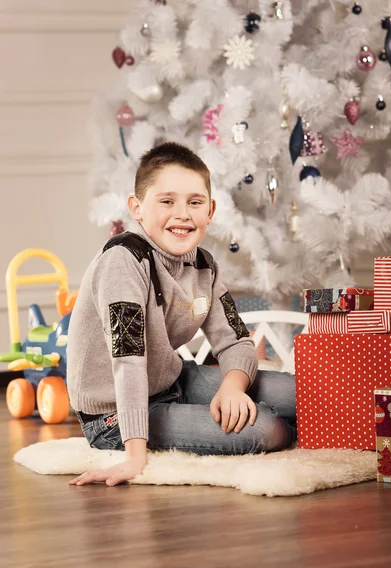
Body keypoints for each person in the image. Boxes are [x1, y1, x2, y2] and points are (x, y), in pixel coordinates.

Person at [67, 142, 296, 486]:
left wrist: (233, 388)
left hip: (172, 380)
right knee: (267, 429)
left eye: (194, 202)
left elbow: (235, 341)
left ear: (210, 210)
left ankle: (294, 419)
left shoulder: (204, 265)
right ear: (137, 208)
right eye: (166, 201)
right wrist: (135, 456)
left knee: (303, 393)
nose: (182, 214)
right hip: (114, 412)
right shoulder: (123, 261)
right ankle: (286, 426)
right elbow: (127, 362)